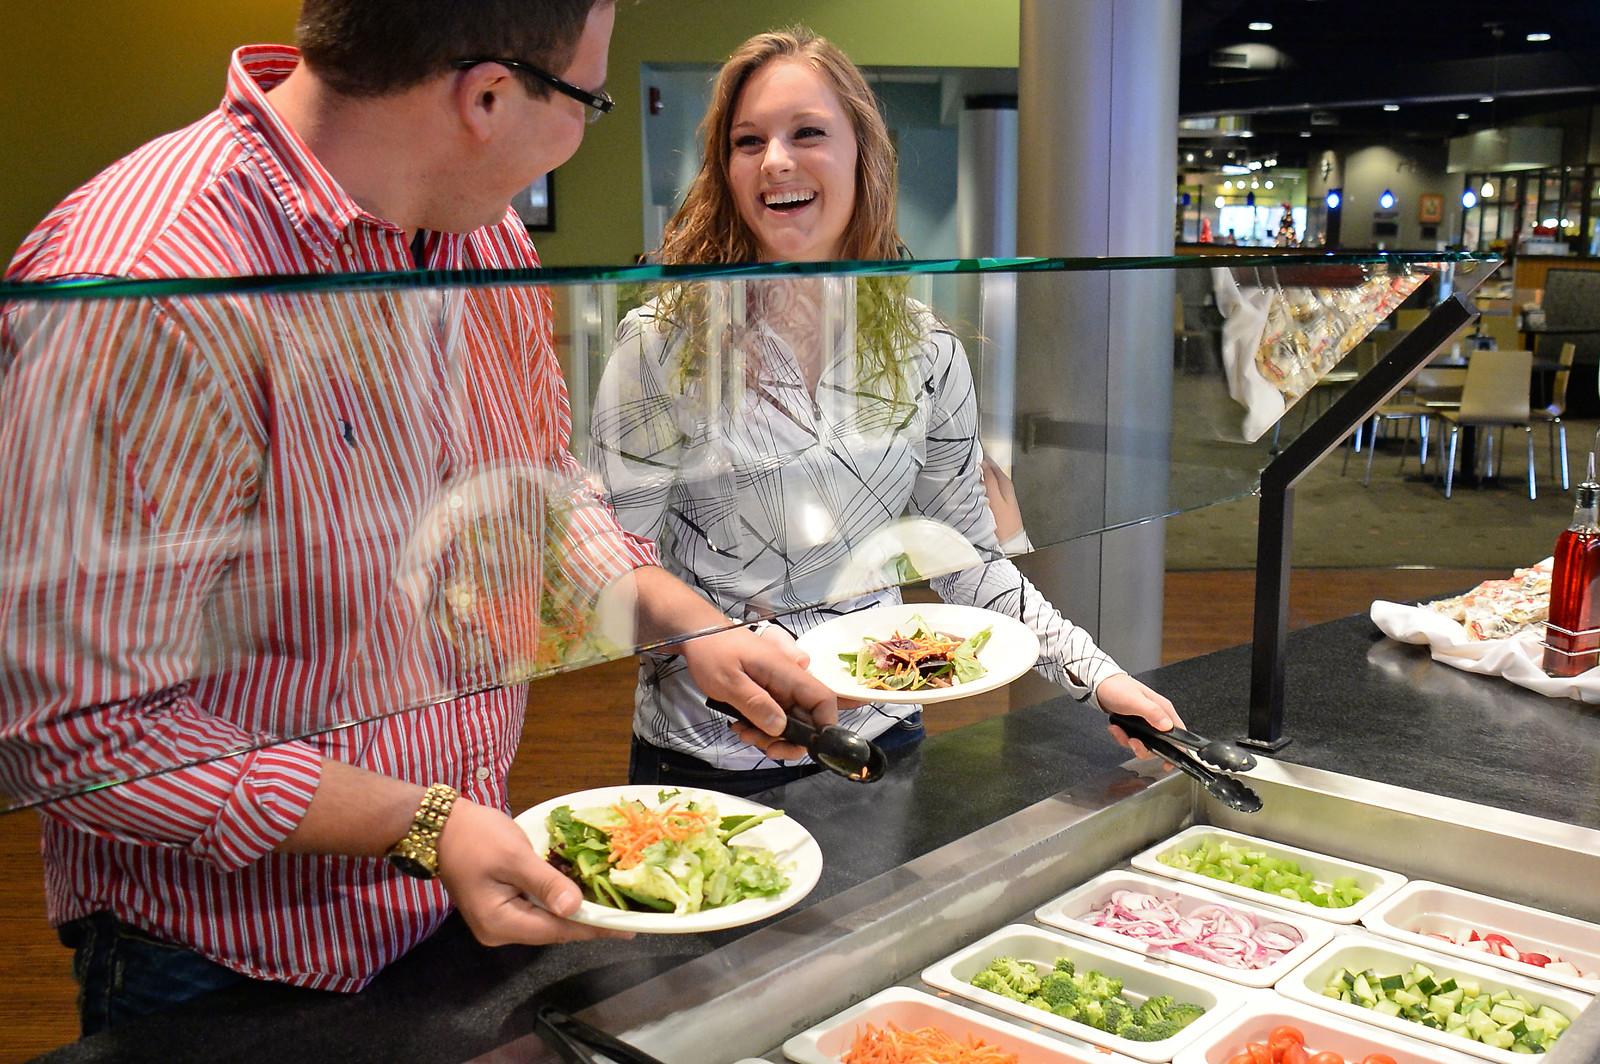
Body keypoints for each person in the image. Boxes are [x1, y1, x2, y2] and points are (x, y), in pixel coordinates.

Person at [0, 0, 837, 1033]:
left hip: (444, 900)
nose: (586, 130)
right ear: (485, 95)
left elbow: (537, 490)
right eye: (590, 100)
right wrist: (420, 820)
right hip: (223, 956)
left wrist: (688, 622)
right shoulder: (154, 286)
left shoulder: (479, 238)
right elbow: (79, 733)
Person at [589, 27, 1182, 797]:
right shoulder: (662, 344)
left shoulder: (926, 351)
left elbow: (968, 561)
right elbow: (610, 567)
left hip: (884, 741)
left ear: (862, 155)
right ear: (724, 170)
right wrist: (709, 640)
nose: (775, 160)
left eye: (807, 133)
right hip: (713, 754)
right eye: (747, 141)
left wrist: (1097, 677)